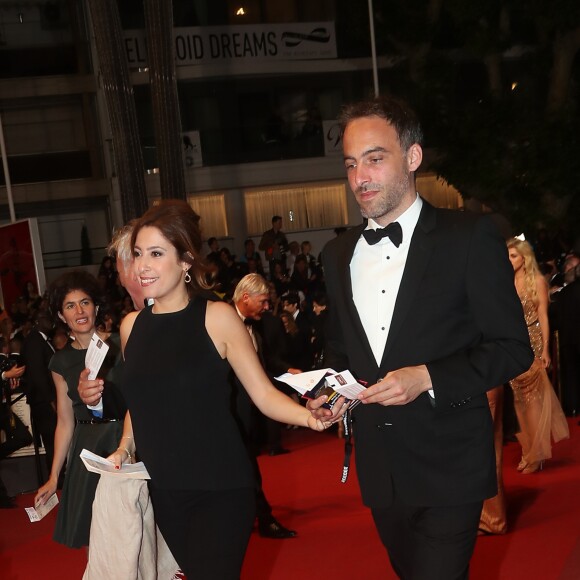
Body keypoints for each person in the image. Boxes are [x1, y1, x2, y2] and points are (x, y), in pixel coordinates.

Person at [313, 96, 533, 579]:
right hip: (381, 469)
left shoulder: (469, 237)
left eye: (375, 159)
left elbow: (514, 347)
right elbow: (341, 350)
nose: (360, 178)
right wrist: (328, 394)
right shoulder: (335, 254)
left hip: (450, 460)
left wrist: (428, 376)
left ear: (413, 158)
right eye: (351, 165)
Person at [108, 200, 337, 579]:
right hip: (165, 490)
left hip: (220, 487)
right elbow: (142, 401)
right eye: (137, 254)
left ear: (185, 261)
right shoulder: (131, 327)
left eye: (155, 253)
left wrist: (309, 419)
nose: (143, 265)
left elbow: (262, 393)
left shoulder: (217, 318)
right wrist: (124, 446)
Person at [34, 271, 126, 549]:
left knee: (132, 526)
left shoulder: (122, 343)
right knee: (96, 535)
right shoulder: (61, 362)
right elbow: (64, 422)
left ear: (96, 307)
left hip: (127, 437)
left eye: (85, 302)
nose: (80, 311)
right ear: (62, 317)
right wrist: (53, 476)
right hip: (89, 448)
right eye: (70, 306)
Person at [231, 273, 297, 538]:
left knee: (246, 466)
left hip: (250, 412)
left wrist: (289, 370)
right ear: (245, 297)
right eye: (264, 301)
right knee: (245, 467)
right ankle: (263, 518)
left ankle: (252, 517)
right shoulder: (218, 323)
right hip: (228, 414)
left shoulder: (255, 327)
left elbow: (263, 362)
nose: (268, 307)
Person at [507, 238, 569, 473]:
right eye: (507, 256)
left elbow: (543, 316)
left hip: (532, 343)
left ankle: (536, 454)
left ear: (524, 258)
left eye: (513, 256)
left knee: (531, 400)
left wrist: (544, 349)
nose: (509, 260)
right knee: (517, 401)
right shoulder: (505, 281)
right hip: (511, 345)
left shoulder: (537, 281)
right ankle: (527, 450)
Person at [20, 309, 58, 476]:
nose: (50, 321)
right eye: (45, 318)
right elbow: (38, 374)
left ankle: (58, 476)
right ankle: (56, 478)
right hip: (43, 400)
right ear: (37, 320)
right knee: (51, 440)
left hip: (46, 398)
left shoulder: (42, 340)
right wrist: (51, 400)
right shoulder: (34, 341)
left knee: (55, 439)